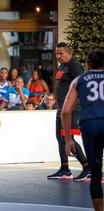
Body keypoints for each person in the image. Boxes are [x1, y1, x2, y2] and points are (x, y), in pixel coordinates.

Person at [61, 49, 104, 211]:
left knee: (96, 173)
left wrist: (68, 140)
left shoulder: (79, 80)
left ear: (87, 64)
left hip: (89, 124)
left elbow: (65, 111)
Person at [47, 42, 90, 181]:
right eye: (56, 54)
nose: (58, 56)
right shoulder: (63, 66)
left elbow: (83, 85)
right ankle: (65, 170)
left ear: (68, 52)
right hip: (61, 109)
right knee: (60, 139)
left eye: (61, 54)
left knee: (68, 139)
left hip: (70, 110)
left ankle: (87, 168)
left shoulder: (74, 65)